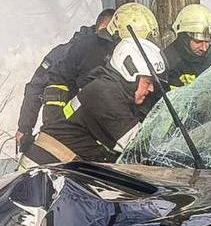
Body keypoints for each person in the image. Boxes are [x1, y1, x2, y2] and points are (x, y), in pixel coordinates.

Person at [24, 37, 167, 165]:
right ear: (130, 73)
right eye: (148, 82)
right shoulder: (105, 95)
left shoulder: (112, 91)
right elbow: (141, 149)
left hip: (61, 168)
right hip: (43, 170)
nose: (152, 89)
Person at [40, 2, 159, 129]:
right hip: (74, 128)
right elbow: (57, 81)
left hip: (112, 128)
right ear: (121, 36)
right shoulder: (88, 47)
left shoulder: (138, 61)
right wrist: (54, 123)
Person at [15, 8, 114, 153]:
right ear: (103, 27)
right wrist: (25, 128)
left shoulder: (113, 53)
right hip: (64, 127)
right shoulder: (67, 52)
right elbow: (36, 87)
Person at [165, 3, 211, 87]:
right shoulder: (167, 62)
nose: (204, 48)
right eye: (198, 41)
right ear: (184, 38)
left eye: (208, 42)